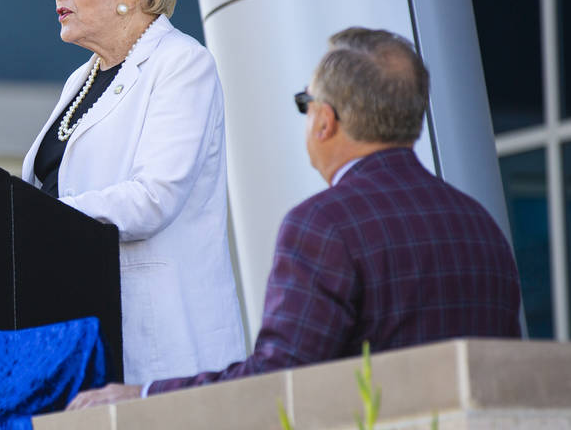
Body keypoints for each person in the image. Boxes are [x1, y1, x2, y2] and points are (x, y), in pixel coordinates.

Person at [69, 27, 522, 409]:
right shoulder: (480, 225)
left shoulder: (325, 224)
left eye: (305, 103)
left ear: (324, 120)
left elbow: (278, 380)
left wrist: (145, 395)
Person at [22, 0, 245, 385]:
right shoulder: (77, 82)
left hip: (158, 339)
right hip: (75, 326)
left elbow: (154, 197)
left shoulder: (182, 63)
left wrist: (38, 221)